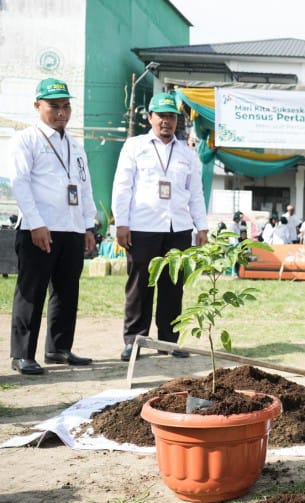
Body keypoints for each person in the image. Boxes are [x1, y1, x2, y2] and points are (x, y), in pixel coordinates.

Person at [112, 92, 209, 362]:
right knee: (140, 285)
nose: (166, 121)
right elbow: (122, 186)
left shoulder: (187, 154)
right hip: (142, 227)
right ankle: (134, 340)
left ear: (177, 120)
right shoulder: (135, 146)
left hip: (178, 229)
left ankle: (169, 340)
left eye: (171, 116)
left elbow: (196, 194)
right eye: (161, 116)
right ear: (150, 118)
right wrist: (122, 223)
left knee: (173, 286)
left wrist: (201, 227)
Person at [9, 78, 96, 374]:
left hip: (71, 229)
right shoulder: (27, 139)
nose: (61, 113)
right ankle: (23, 354)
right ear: (38, 106)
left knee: (66, 291)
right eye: (54, 106)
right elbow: (19, 184)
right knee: (30, 292)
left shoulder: (75, 145)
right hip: (39, 228)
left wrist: (87, 226)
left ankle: (59, 348)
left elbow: (84, 187)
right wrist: (36, 224)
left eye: (66, 106)